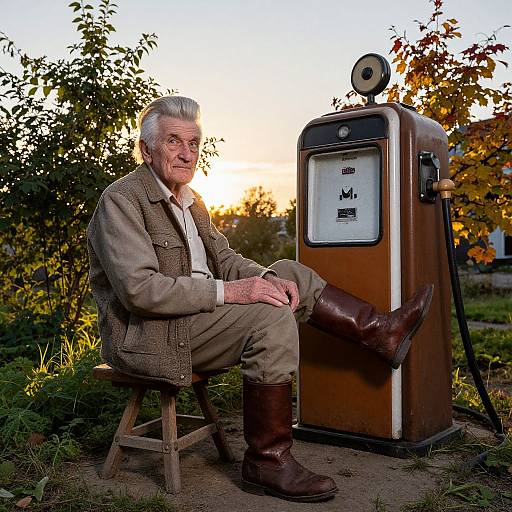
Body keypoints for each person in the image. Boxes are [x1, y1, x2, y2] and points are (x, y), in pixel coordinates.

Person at [87, 96, 433, 503]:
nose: (186, 153)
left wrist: (264, 279)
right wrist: (233, 293)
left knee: (289, 273)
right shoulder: (121, 201)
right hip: (151, 334)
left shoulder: (191, 201)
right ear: (146, 149)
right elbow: (140, 291)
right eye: (173, 141)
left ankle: (380, 331)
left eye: (194, 143)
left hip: (195, 317)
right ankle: (267, 461)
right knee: (268, 319)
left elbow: (227, 260)